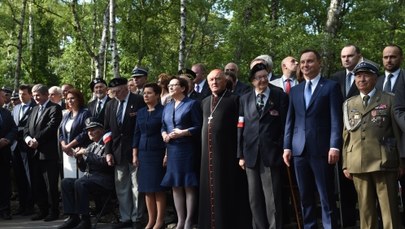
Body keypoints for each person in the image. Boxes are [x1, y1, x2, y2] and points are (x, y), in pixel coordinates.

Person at [283, 49, 343, 228]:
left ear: (319, 63)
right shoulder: (295, 90)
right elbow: (290, 121)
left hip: (322, 150)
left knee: (326, 196)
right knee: (305, 196)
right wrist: (287, 147)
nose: (305, 65)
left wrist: (335, 146)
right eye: (302, 62)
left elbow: (336, 119)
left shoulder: (331, 86)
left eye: (309, 61)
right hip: (299, 151)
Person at [342, 60, 403, 228]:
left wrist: (401, 161)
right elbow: (346, 137)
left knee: (389, 209)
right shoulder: (348, 104)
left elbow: (398, 134)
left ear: (375, 78)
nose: (362, 79)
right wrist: (345, 163)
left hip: (384, 161)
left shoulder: (389, 99)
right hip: (357, 162)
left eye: (366, 75)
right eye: (358, 76)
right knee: (365, 211)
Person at [238, 63, 289, 229]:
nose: (263, 80)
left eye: (265, 76)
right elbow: (240, 126)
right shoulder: (244, 99)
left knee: (272, 198)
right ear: (252, 81)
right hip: (250, 154)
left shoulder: (279, 95)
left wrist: (282, 147)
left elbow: (286, 125)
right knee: (254, 198)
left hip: (272, 153)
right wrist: (241, 154)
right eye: (259, 77)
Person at [199, 69, 251, 229]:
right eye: (211, 80)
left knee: (227, 191)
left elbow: (242, 128)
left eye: (218, 79)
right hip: (207, 157)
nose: (214, 82)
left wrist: (240, 153)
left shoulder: (235, 100)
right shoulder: (204, 102)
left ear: (225, 81)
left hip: (227, 155)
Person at [104, 77, 146, 229]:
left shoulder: (139, 100)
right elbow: (107, 130)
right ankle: (125, 217)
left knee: (136, 185)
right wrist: (108, 152)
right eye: (112, 91)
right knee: (121, 185)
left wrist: (138, 150)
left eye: (117, 91)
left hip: (136, 150)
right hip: (117, 151)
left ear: (125, 88)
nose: (114, 94)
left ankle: (137, 217)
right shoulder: (110, 105)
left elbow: (142, 127)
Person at [58, 117, 114, 229]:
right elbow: (84, 169)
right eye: (88, 130)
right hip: (91, 179)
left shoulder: (107, 144)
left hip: (104, 180)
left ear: (101, 130)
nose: (90, 132)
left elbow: (106, 163)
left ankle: (85, 220)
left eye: (93, 129)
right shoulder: (91, 146)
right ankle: (73, 217)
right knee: (66, 182)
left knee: (80, 183)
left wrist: (87, 154)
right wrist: (79, 158)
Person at [161, 77, 202, 229]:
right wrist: (164, 134)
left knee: (188, 184)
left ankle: (189, 221)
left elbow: (199, 126)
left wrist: (184, 132)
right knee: (175, 185)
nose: (171, 88)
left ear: (183, 88)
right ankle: (180, 220)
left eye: (174, 85)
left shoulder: (192, 104)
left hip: (187, 149)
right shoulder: (167, 106)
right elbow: (163, 126)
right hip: (172, 149)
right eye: (169, 86)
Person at [330, 44, 362, 227]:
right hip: (342, 139)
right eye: (343, 56)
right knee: (344, 187)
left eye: (350, 55)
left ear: (359, 56)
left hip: (362, 137)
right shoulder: (335, 78)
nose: (346, 59)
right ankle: (348, 223)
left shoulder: (368, 76)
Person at [24, 84, 63, 221]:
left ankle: (54, 211)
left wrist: (37, 140)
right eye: (34, 95)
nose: (35, 97)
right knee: (37, 183)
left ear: (46, 94)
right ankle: (43, 210)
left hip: (48, 153)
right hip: (34, 152)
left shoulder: (55, 108)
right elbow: (26, 129)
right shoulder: (33, 109)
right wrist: (28, 139)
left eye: (38, 95)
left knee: (50, 185)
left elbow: (52, 127)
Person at [132, 83, 168, 229]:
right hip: (143, 153)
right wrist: (135, 154)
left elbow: (166, 130)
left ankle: (160, 220)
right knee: (146, 188)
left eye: (149, 93)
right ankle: (151, 220)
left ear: (158, 95)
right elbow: (136, 133)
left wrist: (167, 154)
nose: (145, 95)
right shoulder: (140, 112)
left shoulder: (164, 111)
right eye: (144, 93)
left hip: (157, 152)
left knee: (157, 188)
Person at [11, 84, 36, 216]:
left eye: (24, 94)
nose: (21, 96)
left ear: (30, 94)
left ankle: (30, 206)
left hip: (28, 147)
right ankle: (22, 205)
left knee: (29, 176)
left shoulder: (35, 108)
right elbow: (11, 125)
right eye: (20, 94)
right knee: (19, 177)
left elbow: (31, 128)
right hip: (15, 147)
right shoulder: (15, 108)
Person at [59, 89, 92, 179]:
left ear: (79, 99)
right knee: (68, 179)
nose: (69, 101)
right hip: (67, 153)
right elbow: (61, 132)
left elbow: (85, 133)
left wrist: (69, 145)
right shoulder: (67, 115)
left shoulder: (85, 113)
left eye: (72, 98)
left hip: (79, 151)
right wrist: (64, 146)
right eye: (68, 99)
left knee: (79, 180)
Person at [0, 89, 17, 220]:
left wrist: (7, 139)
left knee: (5, 182)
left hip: (4, 152)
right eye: (2, 95)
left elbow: (13, 128)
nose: (4, 98)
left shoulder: (6, 113)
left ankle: (5, 209)